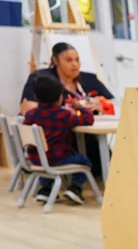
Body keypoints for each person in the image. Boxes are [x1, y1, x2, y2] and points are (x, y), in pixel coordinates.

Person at [20, 42, 115, 179]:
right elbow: (26, 108)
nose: (75, 64)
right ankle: (75, 186)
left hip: (85, 135)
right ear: (55, 60)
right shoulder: (42, 80)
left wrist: (100, 105)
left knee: (101, 162)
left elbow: (110, 103)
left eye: (77, 60)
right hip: (55, 140)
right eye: (69, 60)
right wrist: (69, 111)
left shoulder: (89, 79)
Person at [22, 74, 96, 205]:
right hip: (58, 158)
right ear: (60, 97)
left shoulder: (30, 115)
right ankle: (75, 188)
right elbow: (88, 120)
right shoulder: (64, 115)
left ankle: (45, 190)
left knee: (47, 157)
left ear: (36, 97)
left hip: (35, 159)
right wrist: (81, 108)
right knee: (84, 161)